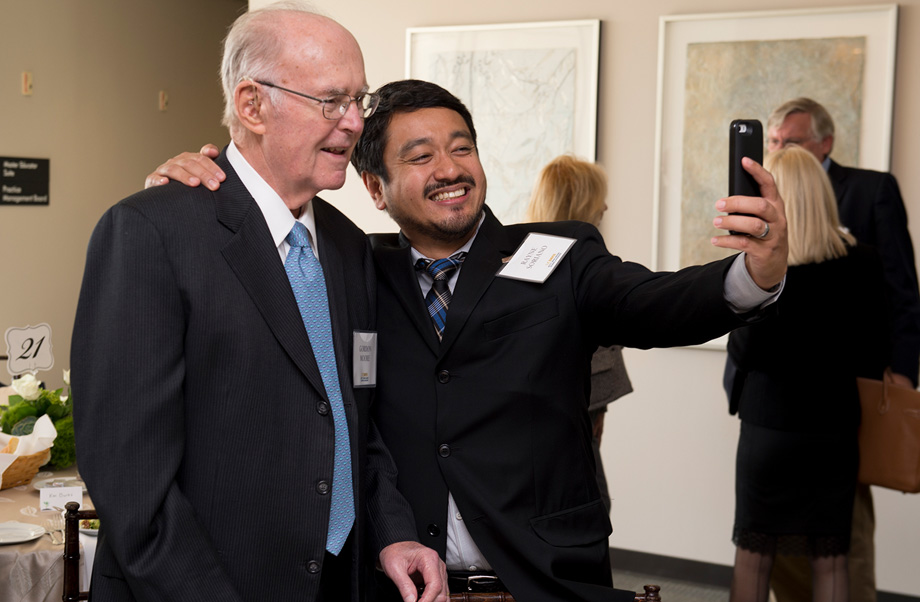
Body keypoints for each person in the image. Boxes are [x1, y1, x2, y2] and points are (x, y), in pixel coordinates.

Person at [146, 79, 788, 601]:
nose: (449, 169)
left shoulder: (560, 255)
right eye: (419, 156)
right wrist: (198, 198)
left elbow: (656, 304)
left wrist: (754, 273)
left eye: (462, 148)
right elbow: (251, 276)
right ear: (374, 187)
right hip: (397, 583)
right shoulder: (353, 271)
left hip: (542, 580)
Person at [71, 5, 446, 602]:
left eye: (359, 100)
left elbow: (354, 423)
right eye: (331, 101)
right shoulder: (150, 233)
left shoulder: (349, 249)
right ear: (252, 106)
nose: (354, 123)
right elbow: (131, 481)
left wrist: (390, 534)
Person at [764, 97, 920, 602]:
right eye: (774, 141)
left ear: (825, 142)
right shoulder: (760, 192)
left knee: (844, 527)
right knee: (777, 530)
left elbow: (900, 288)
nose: (779, 149)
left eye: (790, 141)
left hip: (848, 389)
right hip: (777, 393)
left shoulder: (872, 189)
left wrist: (900, 370)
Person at [725, 145, 890, 602]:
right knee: (831, 557)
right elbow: (874, 354)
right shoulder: (864, 262)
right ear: (822, 194)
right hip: (833, 433)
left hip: (768, 432)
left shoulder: (762, 267)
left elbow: (742, 350)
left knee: (754, 557)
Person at [525, 154, 633, 512]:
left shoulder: (527, 258)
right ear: (580, 202)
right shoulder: (560, 265)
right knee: (590, 508)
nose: (605, 206)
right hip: (567, 422)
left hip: (579, 413)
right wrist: (596, 408)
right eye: (598, 197)